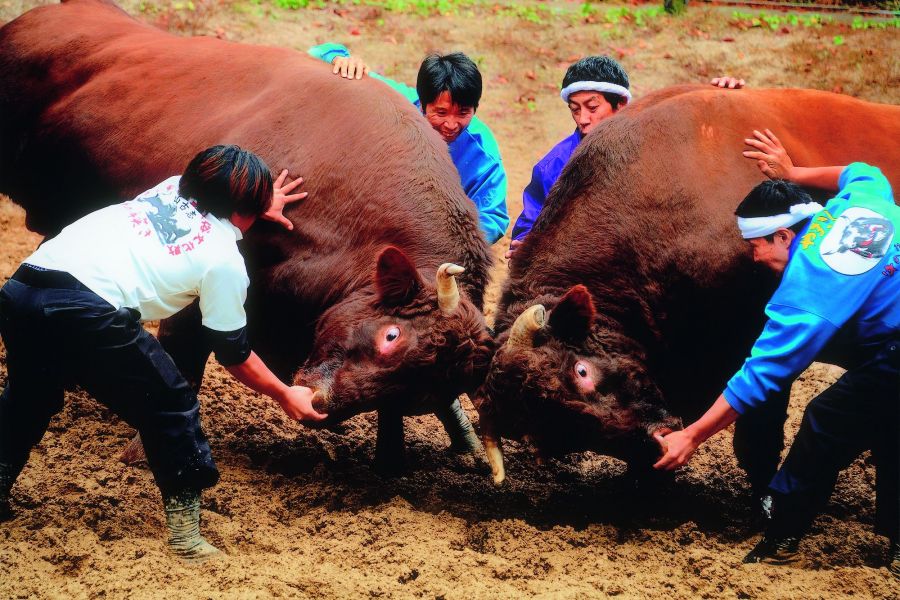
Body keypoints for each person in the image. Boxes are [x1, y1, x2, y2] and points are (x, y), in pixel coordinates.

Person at [0, 145, 328, 562]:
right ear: (245, 209)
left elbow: (210, 209)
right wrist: (285, 393)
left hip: (22, 290)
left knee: (29, 394)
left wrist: (254, 204)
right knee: (171, 401)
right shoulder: (223, 261)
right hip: (85, 308)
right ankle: (186, 537)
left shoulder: (169, 188)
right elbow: (233, 353)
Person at [654, 130, 899, 577]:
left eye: (756, 246)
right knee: (885, 414)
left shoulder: (809, 282)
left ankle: (783, 535)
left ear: (784, 235)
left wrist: (692, 437)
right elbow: (864, 172)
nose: (754, 258)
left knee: (828, 418)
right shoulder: (857, 204)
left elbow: (761, 374)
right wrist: (793, 173)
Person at [506, 55, 744, 257]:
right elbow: (530, 222)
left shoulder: (658, 145)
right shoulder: (554, 165)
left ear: (621, 105)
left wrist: (725, 99)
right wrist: (527, 242)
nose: (583, 119)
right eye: (575, 109)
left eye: (592, 107)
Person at [308, 43, 509, 244]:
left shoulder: (483, 153)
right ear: (422, 104)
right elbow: (317, 53)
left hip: (438, 237)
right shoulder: (396, 103)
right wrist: (339, 59)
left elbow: (494, 217)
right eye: (440, 113)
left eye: (463, 113)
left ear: (475, 108)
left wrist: (448, 242)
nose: (451, 124)